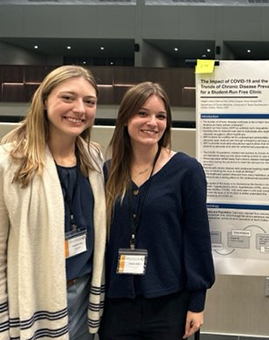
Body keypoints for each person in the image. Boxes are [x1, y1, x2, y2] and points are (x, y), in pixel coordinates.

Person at [100, 82, 215, 340]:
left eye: (160, 116)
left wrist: (198, 301)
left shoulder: (186, 170)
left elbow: (197, 239)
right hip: (117, 304)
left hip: (169, 303)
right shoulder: (107, 172)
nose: (152, 122)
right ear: (125, 118)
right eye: (143, 113)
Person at [0, 65, 106, 340]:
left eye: (89, 101)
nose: (80, 109)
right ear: (45, 100)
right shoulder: (10, 161)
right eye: (68, 98)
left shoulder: (92, 158)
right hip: (35, 295)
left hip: (84, 292)